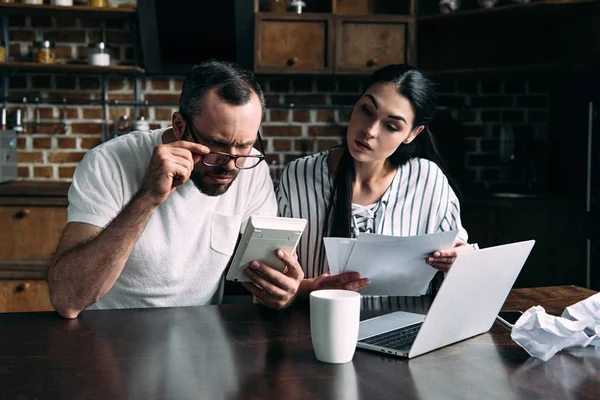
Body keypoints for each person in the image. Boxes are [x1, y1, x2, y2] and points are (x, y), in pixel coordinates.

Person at [48, 60, 303, 318]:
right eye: (216, 145)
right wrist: (147, 198)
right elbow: (67, 299)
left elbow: (270, 275)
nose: (230, 165)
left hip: (199, 336)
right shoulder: (107, 163)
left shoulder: (251, 168)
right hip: (108, 334)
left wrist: (284, 289)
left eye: (245, 146)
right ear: (180, 126)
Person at [277, 64, 477, 295]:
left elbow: (462, 264)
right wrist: (307, 288)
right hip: (313, 325)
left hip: (403, 325)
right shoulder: (298, 175)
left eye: (391, 126)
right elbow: (273, 276)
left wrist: (463, 260)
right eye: (367, 110)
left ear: (413, 134)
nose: (370, 130)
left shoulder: (428, 180)